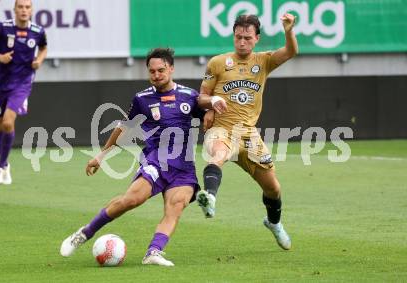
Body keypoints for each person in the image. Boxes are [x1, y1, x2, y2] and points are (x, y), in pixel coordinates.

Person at [60, 48, 204, 266]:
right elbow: (123, 128)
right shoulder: (142, 99)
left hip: (184, 167)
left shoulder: (190, 96)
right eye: (152, 71)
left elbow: (210, 119)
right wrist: (101, 156)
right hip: (156, 160)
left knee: (175, 208)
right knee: (132, 200)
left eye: (161, 70)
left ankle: (153, 252)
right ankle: (84, 233)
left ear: (171, 69)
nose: (156, 75)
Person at [197, 14, 298, 250]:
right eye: (238, 37)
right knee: (218, 154)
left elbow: (291, 51)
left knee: (273, 188)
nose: (242, 42)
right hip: (221, 129)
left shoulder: (264, 61)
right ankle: (209, 197)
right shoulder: (217, 63)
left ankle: (274, 223)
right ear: (234, 36)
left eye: (247, 38)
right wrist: (211, 102)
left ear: (256, 39)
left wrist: (288, 30)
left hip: (249, 135)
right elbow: (200, 97)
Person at [0, 0, 47, 185]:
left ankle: (0, 167)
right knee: (1, 124)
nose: (24, 10)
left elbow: (43, 47)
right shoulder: (2, 28)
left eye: (27, 7)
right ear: (14, 10)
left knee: (8, 122)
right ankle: (6, 164)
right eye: (21, 7)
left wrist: (39, 61)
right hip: (1, 83)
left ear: (31, 10)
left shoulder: (38, 31)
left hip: (22, 84)